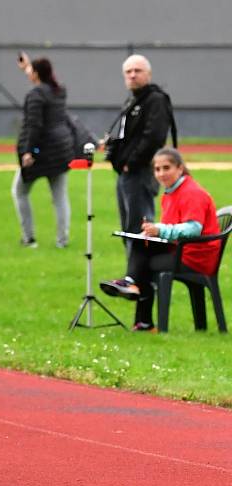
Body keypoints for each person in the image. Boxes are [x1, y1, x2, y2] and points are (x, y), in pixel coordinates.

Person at [99, 148, 220, 332]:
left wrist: (160, 229)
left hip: (196, 258)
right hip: (181, 250)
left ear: (180, 169)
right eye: (157, 169)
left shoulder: (191, 192)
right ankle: (138, 306)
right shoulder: (171, 192)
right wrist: (154, 232)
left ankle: (137, 302)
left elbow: (193, 229)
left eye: (166, 168)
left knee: (145, 263)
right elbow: (172, 228)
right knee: (142, 243)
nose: (161, 174)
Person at [104, 54, 175, 257]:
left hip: (140, 171)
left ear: (149, 74)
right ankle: (133, 277)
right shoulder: (134, 100)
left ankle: (142, 279)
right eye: (128, 72)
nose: (133, 75)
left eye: (138, 71)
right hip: (126, 172)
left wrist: (131, 162)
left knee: (140, 228)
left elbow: (154, 137)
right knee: (129, 227)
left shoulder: (155, 100)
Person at [11, 54, 73, 249]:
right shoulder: (59, 90)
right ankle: (62, 241)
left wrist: (28, 151)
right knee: (60, 197)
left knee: (19, 191)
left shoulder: (35, 94)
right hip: (61, 150)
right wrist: (28, 66)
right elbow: (41, 78)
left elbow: (34, 125)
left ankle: (28, 238)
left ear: (36, 74)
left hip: (40, 151)